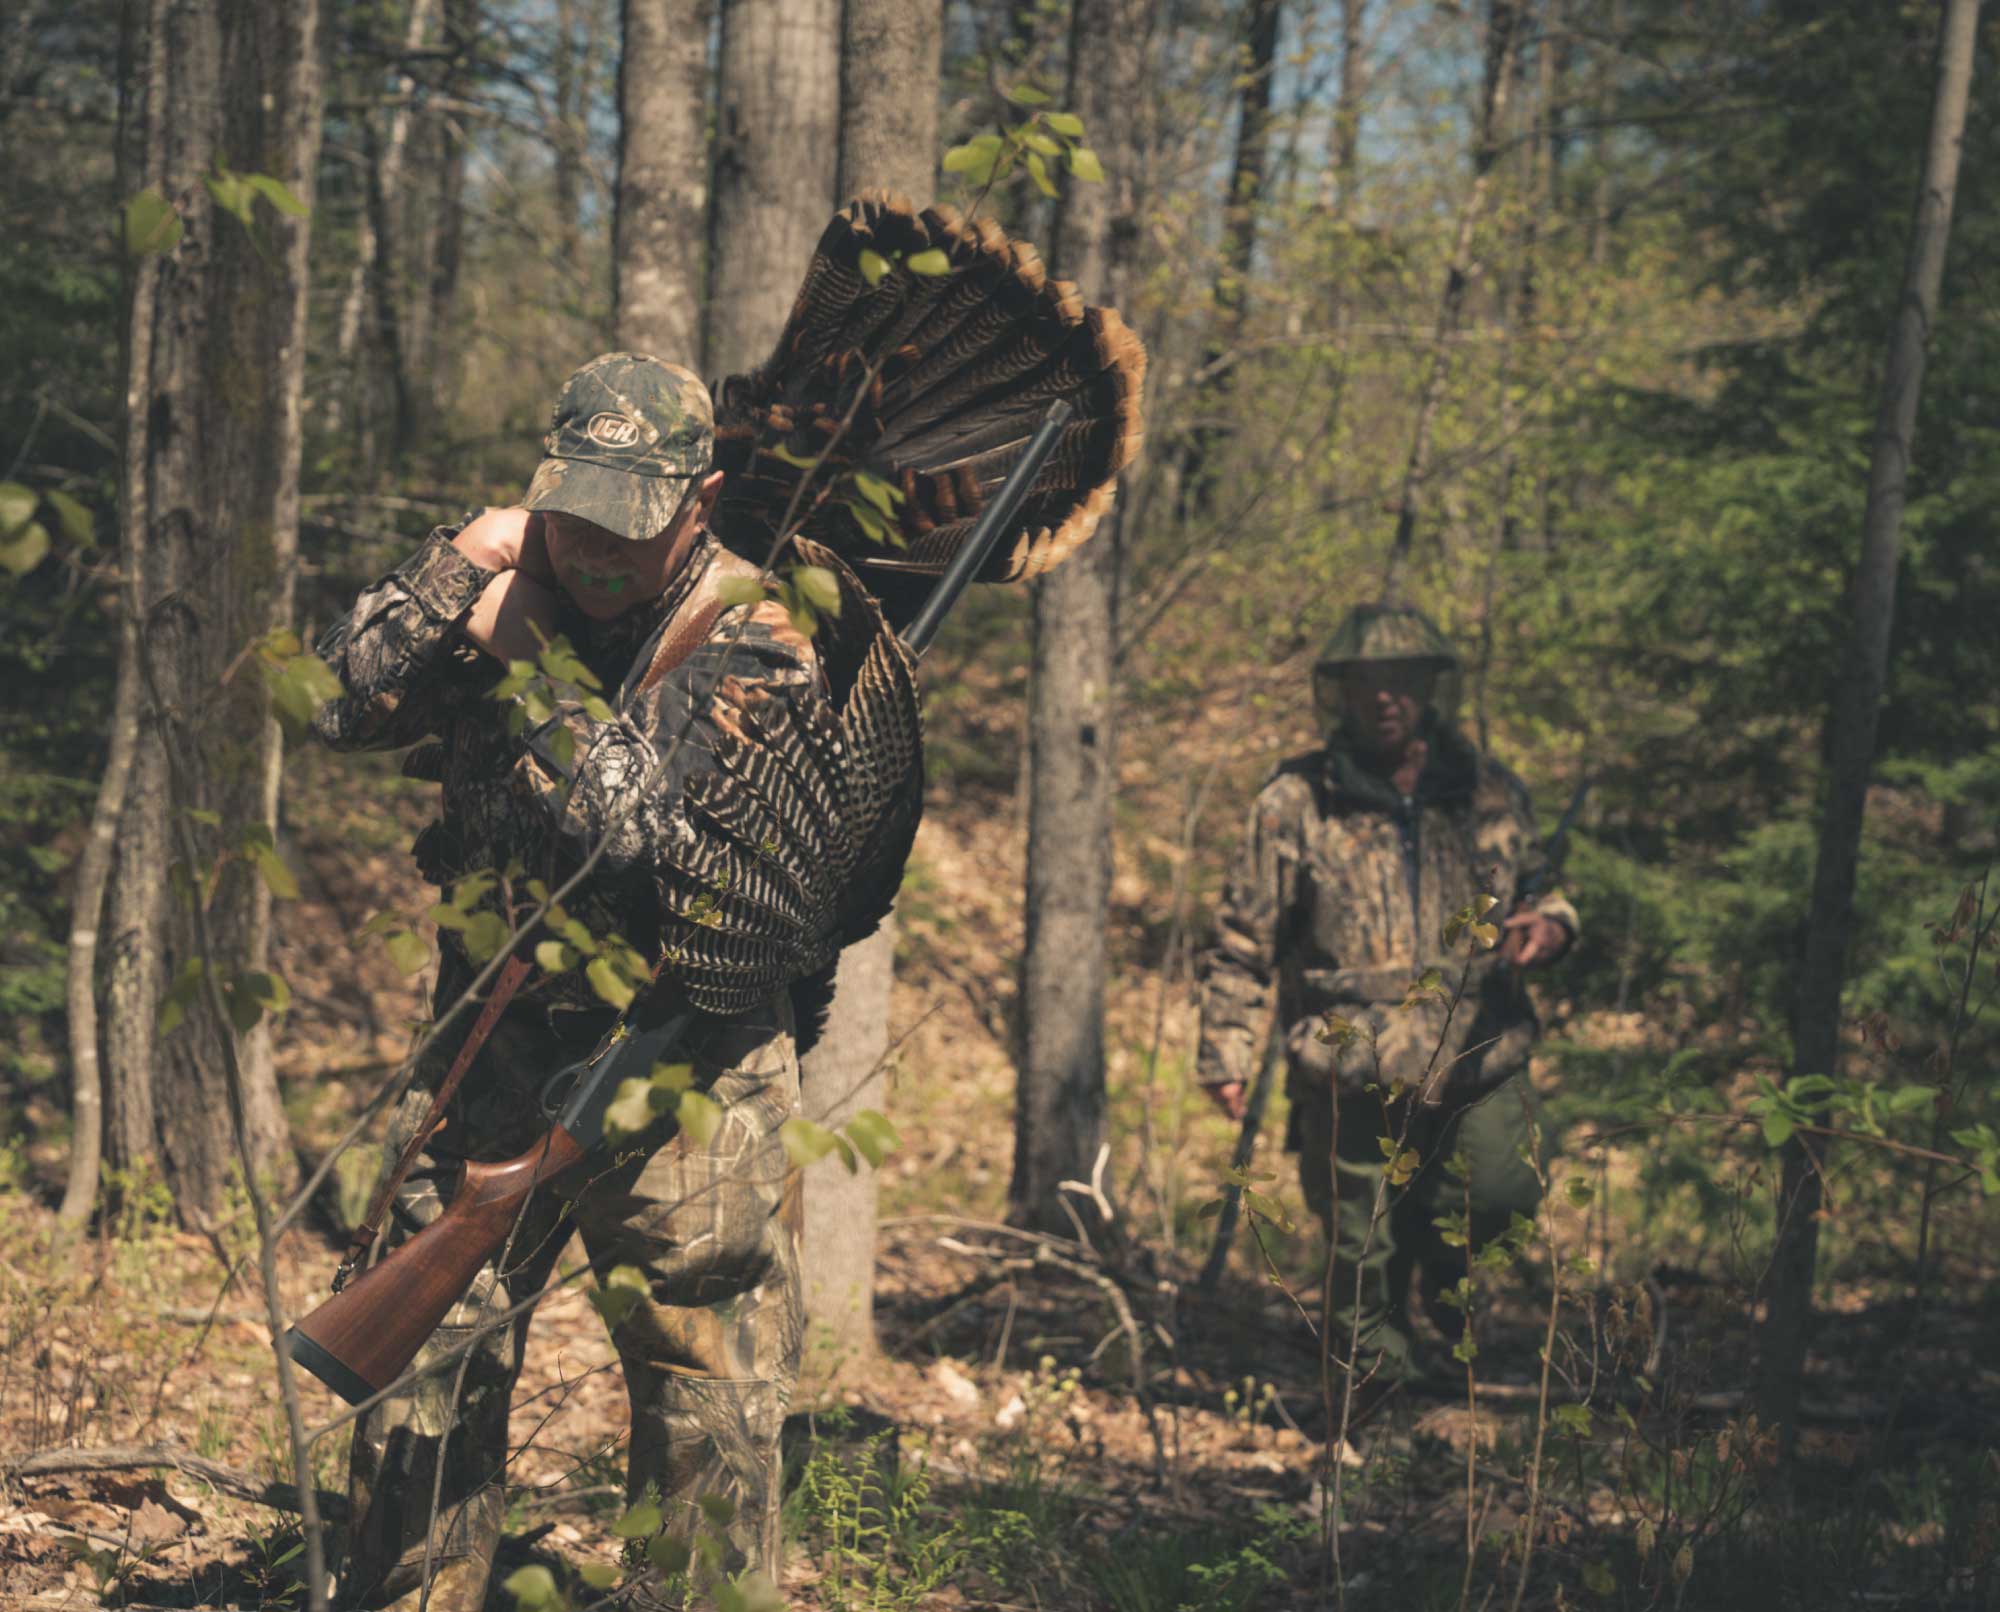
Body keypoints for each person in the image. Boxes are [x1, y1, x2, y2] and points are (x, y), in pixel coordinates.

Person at [311, 353, 813, 1610]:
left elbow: (638, 831)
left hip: (686, 1061)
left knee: (703, 1382)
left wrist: (532, 656)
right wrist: (455, 563)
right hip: (488, 1048)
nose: (589, 550)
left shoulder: (755, 630)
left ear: (697, 499)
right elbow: (337, 702)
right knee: (425, 1362)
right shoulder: (502, 573)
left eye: (624, 524)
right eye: (569, 512)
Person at [1195, 603, 1579, 1386]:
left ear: (1428, 687)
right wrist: (1224, 1052)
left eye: (1400, 681)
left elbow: (1548, 891)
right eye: (1366, 684)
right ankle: (1373, 1403)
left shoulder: (1487, 793)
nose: (1384, 699)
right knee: (1360, 1245)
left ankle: (1442, 1285)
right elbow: (1242, 938)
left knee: (1499, 1193)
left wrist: (1553, 927)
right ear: (1339, 692)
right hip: (1350, 1060)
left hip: (1479, 1046)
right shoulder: (1296, 802)